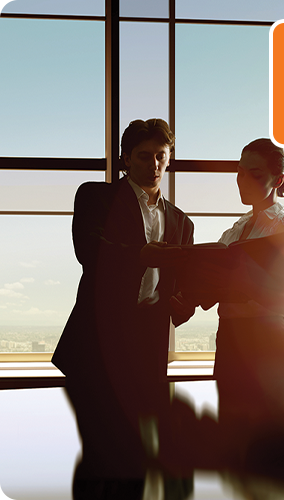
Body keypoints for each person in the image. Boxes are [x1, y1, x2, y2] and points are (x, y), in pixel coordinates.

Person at [51, 118, 195, 498]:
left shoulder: (181, 221)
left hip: (145, 354)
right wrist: (142, 255)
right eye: (144, 156)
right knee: (99, 455)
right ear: (126, 159)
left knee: (134, 454)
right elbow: (90, 251)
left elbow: (177, 292)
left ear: (169, 159)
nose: (153, 164)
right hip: (96, 348)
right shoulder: (96, 197)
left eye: (160, 156)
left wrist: (191, 297)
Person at [212, 138, 284, 423]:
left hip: (265, 343)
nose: (243, 181)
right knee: (230, 434)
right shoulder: (235, 231)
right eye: (240, 172)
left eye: (254, 175)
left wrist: (245, 284)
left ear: (278, 179)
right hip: (228, 338)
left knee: (268, 439)